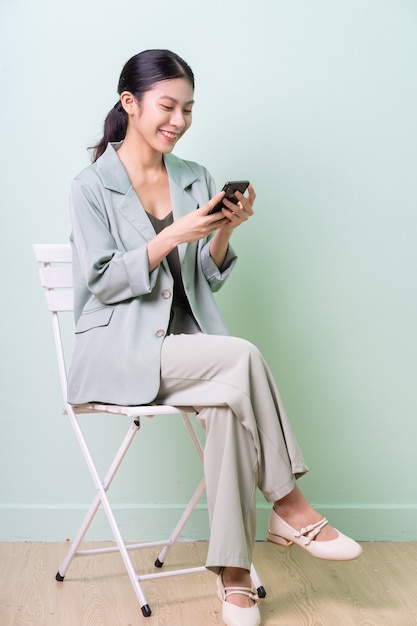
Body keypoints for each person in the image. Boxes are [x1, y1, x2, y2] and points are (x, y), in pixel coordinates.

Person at [67, 49, 362, 626]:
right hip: (120, 351)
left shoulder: (192, 175)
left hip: (190, 348)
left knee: (229, 406)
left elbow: (206, 276)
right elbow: (100, 282)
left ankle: (233, 579)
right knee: (242, 356)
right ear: (130, 104)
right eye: (167, 106)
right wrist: (169, 235)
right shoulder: (90, 186)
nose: (178, 120)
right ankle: (289, 504)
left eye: (188, 109)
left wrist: (220, 232)